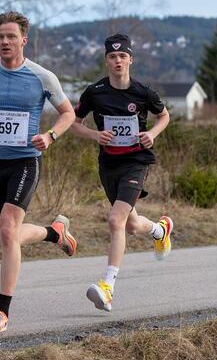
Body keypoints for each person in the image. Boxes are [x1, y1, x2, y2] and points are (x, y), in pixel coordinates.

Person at [0, 11, 77, 333]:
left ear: (23, 41)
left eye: (11, 36)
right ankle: (54, 233)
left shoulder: (42, 77)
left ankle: (2, 310)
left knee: (8, 233)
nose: (5, 41)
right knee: (6, 234)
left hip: (26, 160)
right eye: (1, 36)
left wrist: (50, 136)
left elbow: (68, 113)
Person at [71, 33, 173, 312]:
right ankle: (160, 229)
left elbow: (164, 116)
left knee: (116, 220)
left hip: (135, 162)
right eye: (112, 57)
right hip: (109, 164)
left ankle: (107, 287)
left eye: (122, 56)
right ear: (107, 61)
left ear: (130, 60)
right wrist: (94, 134)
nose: (118, 60)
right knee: (129, 225)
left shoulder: (143, 92)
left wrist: (152, 133)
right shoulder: (95, 92)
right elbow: (73, 123)